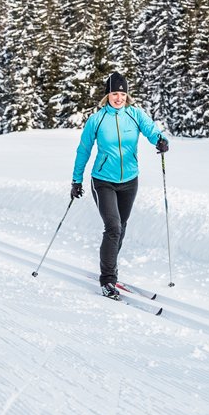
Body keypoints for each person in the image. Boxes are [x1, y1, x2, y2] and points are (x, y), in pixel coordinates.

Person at [72, 72, 169, 300]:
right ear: (107, 95)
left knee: (121, 227)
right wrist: (76, 180)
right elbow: (83, 150)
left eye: (122, 93)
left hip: (129, 181)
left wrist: (161, 140)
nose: (118, 98)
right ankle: (107, 279)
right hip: (103, 180)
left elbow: (151, 130)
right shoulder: (97, 119)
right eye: (114, 93)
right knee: (113, 227)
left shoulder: (135, 115)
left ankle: (111, 269)